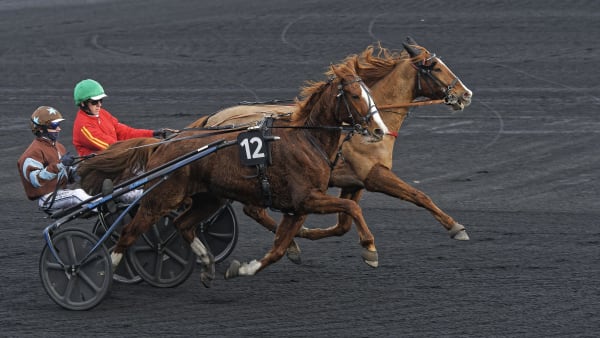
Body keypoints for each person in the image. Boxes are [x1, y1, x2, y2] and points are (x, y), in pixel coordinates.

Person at [17, 106, 92, 213]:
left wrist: (87, 167)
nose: (58, 128)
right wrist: (60, 164)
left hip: (62, 193)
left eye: (58, 125)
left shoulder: (59, 147)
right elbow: (36, 180)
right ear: (41, 128)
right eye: (54, 125)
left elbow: (68, 176)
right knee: (77, 194)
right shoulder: (32, 153)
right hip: (47, 199)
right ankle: (102, 207)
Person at [71, 78, 171, 157]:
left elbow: (125, 132)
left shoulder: (103, 113)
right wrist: (143, 144)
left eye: (101, 100)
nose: (99, 105)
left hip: (114, 154)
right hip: (98, 164)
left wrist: (151, 134)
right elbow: (111, 146)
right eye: (94, 102)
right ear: (83, 104)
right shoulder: (83, 126)